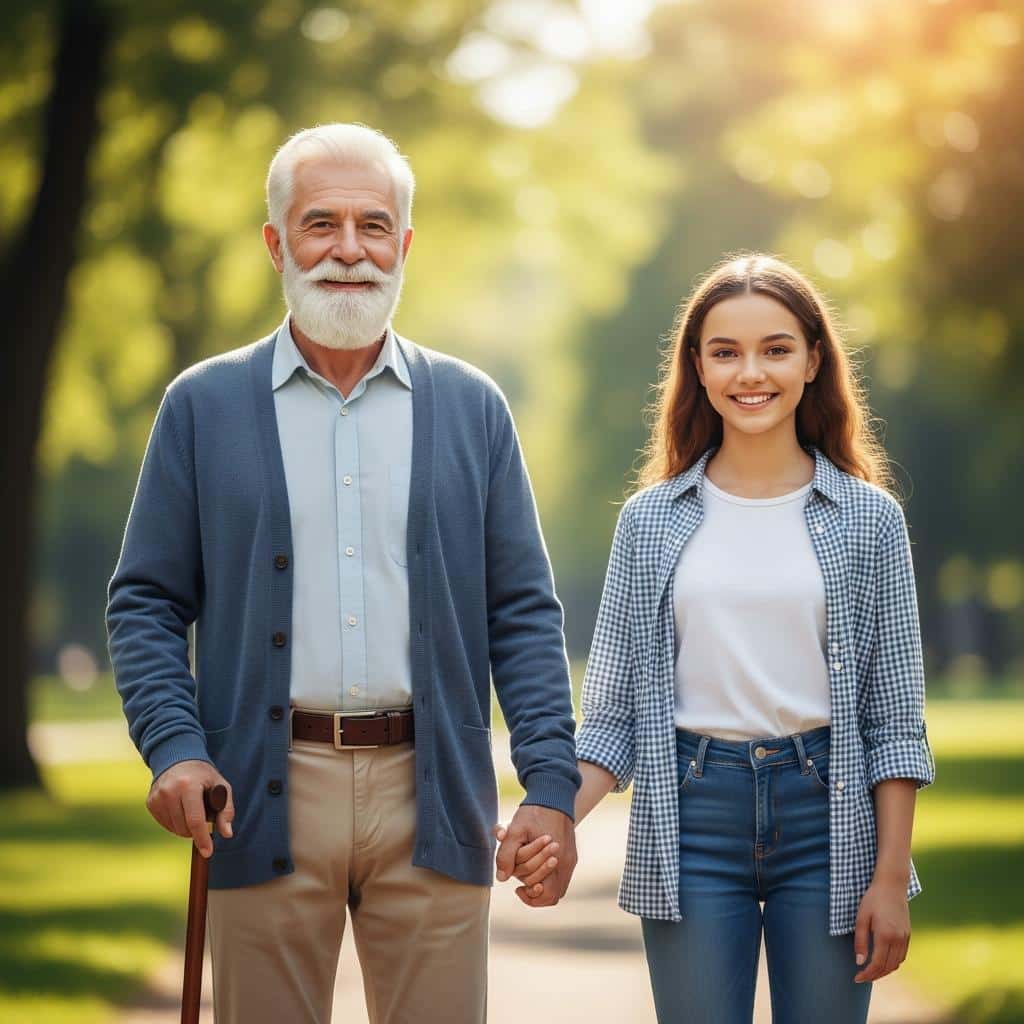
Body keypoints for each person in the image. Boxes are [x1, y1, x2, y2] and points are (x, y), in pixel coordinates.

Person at [106, 122, 580, 1024]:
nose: (349, 251)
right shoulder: (201, 406)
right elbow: (148, 601)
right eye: (321, 224)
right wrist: (175, 748)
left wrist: (550, 786)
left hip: (434, 792)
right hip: (257, 793)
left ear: (404, 245)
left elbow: (521, 611)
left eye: (373, 225)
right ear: (276, 243)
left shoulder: (473, 406)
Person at [501, 254, 935, 1022]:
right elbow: (610, 720)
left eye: (775, 348)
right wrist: (554, 817)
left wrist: (890, 876)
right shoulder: (650, 522)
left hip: (828, 821)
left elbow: (895, 722)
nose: (750, 372)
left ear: (812, 360)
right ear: (697, 369)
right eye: (725, 351)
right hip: (691, 821)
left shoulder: (871, 522)